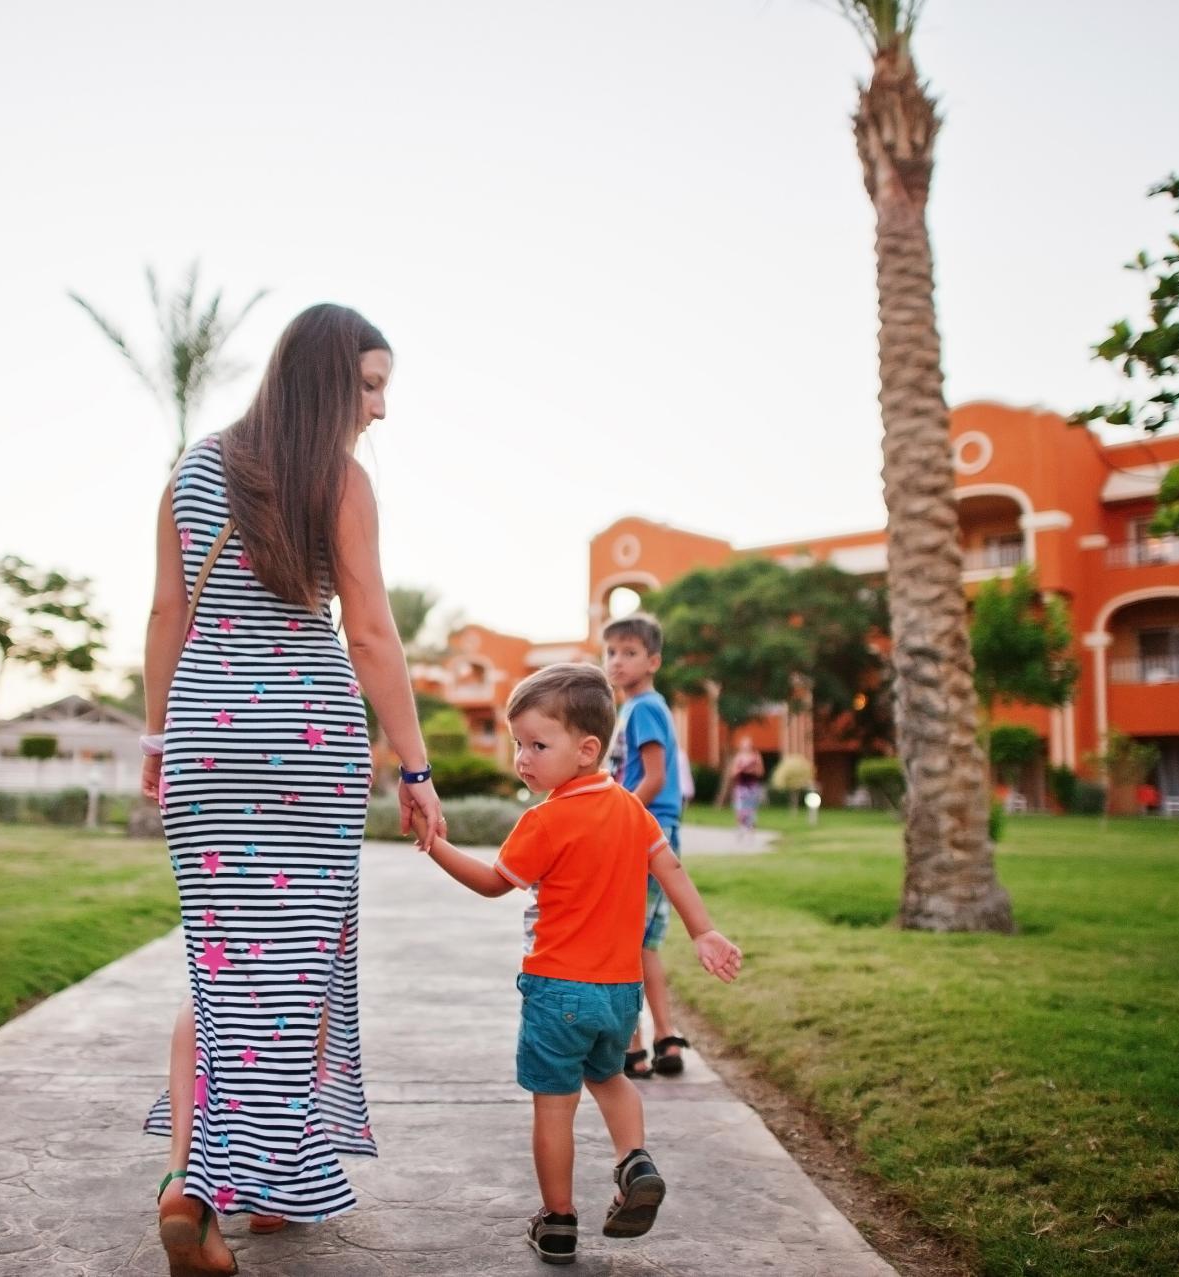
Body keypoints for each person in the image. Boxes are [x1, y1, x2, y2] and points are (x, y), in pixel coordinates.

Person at [139, 303, 445, 1277]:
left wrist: (159, 737)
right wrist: (415, 762)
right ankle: (226, 1185)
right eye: (369, 383)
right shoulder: (340, 480)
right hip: (306, 743)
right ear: (322, 379)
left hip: (204, 740)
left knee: (223, 968)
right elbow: (367, 632)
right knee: (299, 966)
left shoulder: (191, 469)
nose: (382, 408)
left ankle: (223, 1182)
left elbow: (164, 614)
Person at [407, 663, 741, 1265]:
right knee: (611, 1079)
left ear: (587, 749)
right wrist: (704, 930)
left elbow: (491, 883)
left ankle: (558, 1220)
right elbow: (671, 871)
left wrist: (435, 845)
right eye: (517, 744)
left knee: (553, 1107)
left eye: (538, 744)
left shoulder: (546, 819)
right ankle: (634, 1160)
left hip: (557, 988)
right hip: (619, 994)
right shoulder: (631, 811)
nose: (523, 758)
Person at [601, 613, 688, 1079]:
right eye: (611, 652)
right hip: (650, 832)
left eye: (629, 653)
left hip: (646, 835)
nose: (617, 661)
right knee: (642, 945)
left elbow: (654, 778)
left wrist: (615, 818)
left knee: (625, 942)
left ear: (653, 661)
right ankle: (663, 1040)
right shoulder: (634, 708)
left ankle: (636, 1048)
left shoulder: (645, 708)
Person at [725, 737, 766, 841]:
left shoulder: (756, 757)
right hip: (741, 786)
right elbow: (733, 772)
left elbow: (761, 772)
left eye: (748, 745)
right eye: (744, 745)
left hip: (752, 786)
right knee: (740, 809)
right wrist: (741, 769)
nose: (746, 747)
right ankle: (740, 829)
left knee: (751, 809)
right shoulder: (738, 757)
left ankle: (751, 831)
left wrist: (752, 770)